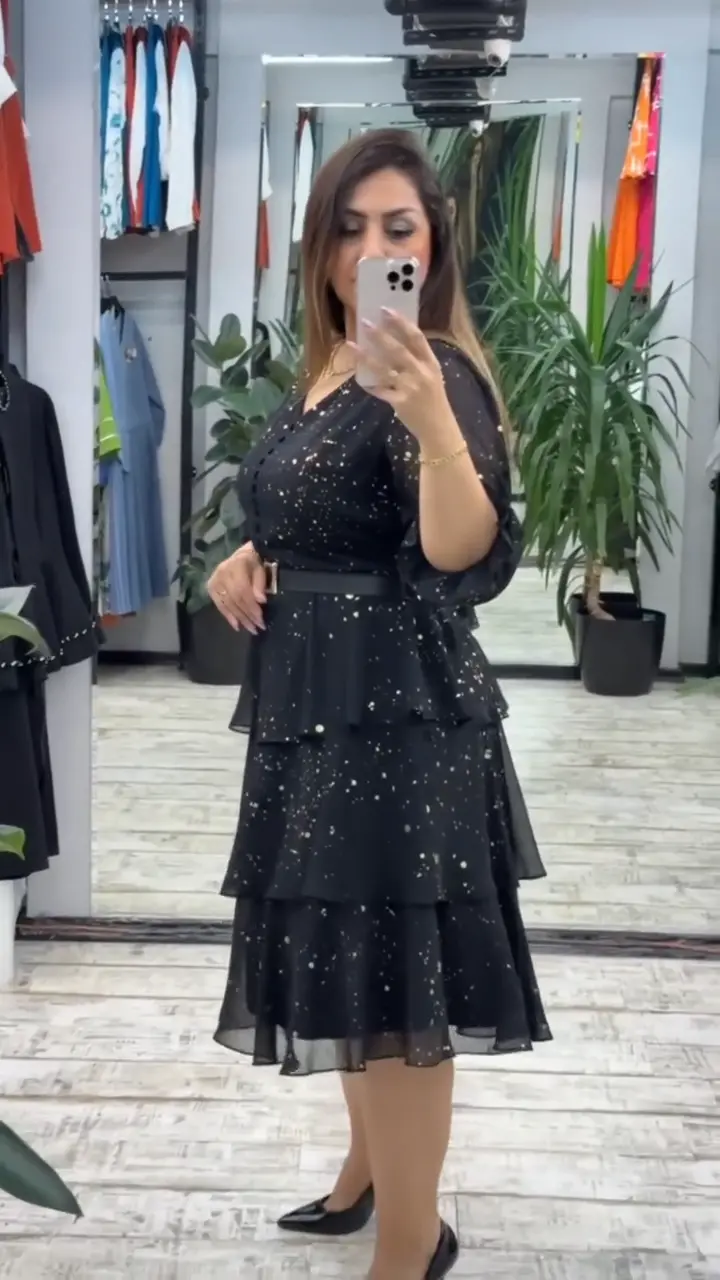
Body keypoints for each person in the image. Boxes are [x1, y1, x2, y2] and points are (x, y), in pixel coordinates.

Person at [209, 128, 551, 1280]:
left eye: (396, 228)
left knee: (397, 984)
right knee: (348, 955)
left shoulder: (435, 373)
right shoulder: (325, 370)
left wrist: (436, 423)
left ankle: (413, 1240)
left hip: (399, 719)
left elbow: (461, 552)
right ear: (320, 246)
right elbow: (323, 510)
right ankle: (367, 1173)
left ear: (431, 247)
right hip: (316, 707)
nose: (371, 249)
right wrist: (252, 554)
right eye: (349, 228)